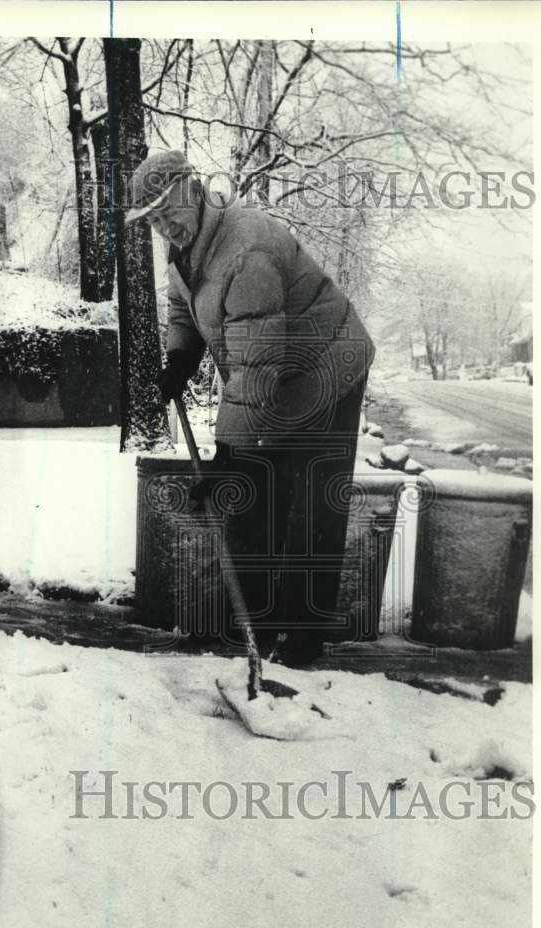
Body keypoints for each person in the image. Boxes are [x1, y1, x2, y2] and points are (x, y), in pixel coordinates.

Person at [126, 150, 375, 667]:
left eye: (167, 211)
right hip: (277, 374)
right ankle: (258, 632)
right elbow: (184, 308)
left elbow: (258, 364)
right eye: (152, 220)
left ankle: (303, 640)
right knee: (256, 495)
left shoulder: (247, 246)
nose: (163, 226)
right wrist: (180, 357)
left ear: (193, 192)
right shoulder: (186, 249)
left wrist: (229, 454)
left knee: (309, 501)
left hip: (328, 367)